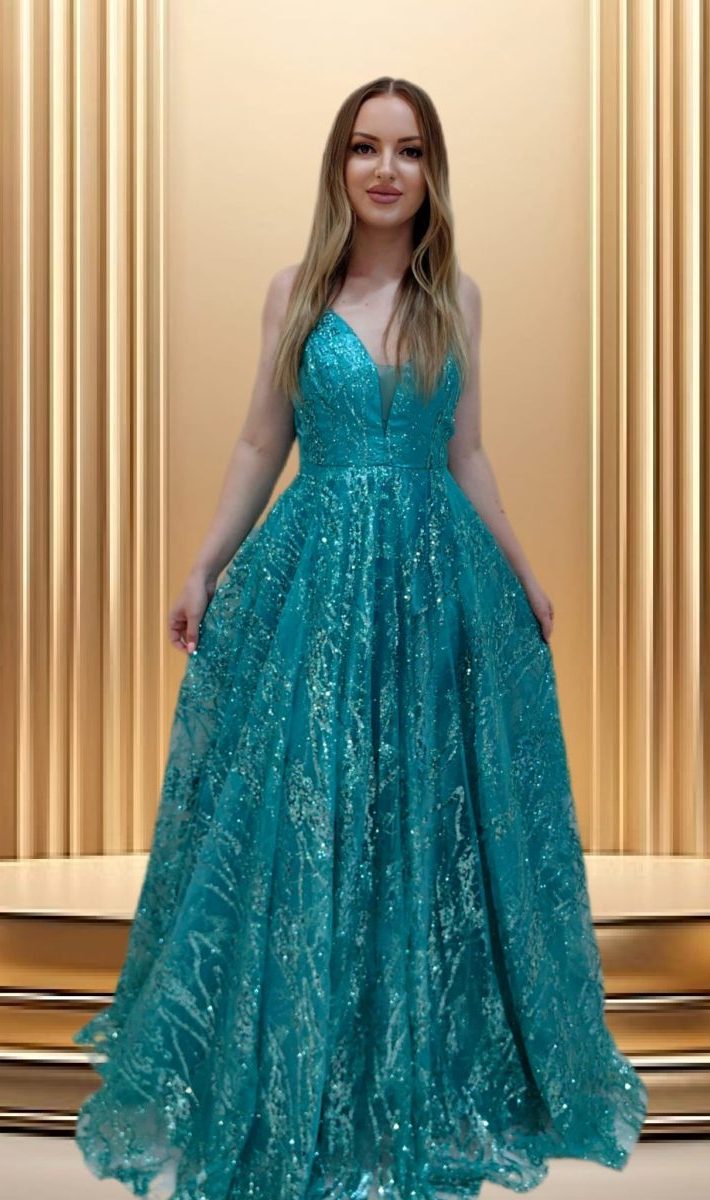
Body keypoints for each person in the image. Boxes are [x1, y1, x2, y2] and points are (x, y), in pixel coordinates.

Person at [72, 76, 648, 1200]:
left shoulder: (457, 298)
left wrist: (525, 574)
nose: (387, 170)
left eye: (410, 150)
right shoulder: (293, 293)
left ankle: (413, 1074)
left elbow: (466, 451)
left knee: (424, 818)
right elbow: (259, 441)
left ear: (433, 171)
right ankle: (306, 1075)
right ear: (338, 165)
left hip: (434, 582)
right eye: (366, 148)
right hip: (319, 579)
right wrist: (204, 563)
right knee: (314, 812)